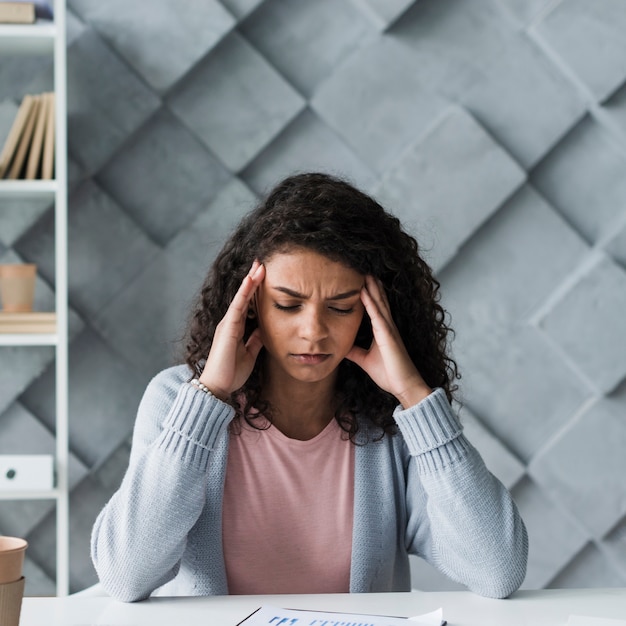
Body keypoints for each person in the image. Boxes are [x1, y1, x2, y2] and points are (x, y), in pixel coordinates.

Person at [91, 172, 528, 602]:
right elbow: (126, 574)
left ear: (374, 312)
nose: (313, 331)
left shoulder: (392, 419)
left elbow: (497, 569)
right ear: (250, 302)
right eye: (287, 305)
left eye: (340, 308)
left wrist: (414, 396)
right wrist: (210, 396)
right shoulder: (175, 401)